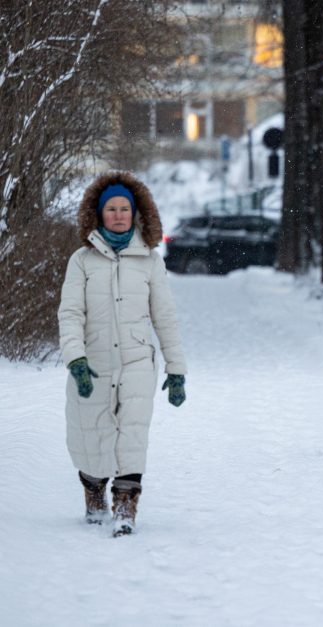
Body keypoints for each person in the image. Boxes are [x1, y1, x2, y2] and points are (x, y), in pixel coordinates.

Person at [58, 172, 187, 537]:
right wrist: (76, 359)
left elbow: (165, 317)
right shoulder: (81, 261)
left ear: (135, 213)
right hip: (93, 364)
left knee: (131, 436)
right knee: (91, 435)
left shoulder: (149, 260)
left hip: (136, 364)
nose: (118, 215)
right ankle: (94, 493)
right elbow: (70, 314)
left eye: (124, 209)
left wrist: (176, 370)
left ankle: (126, 506)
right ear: (99, 215)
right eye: (111, 209)